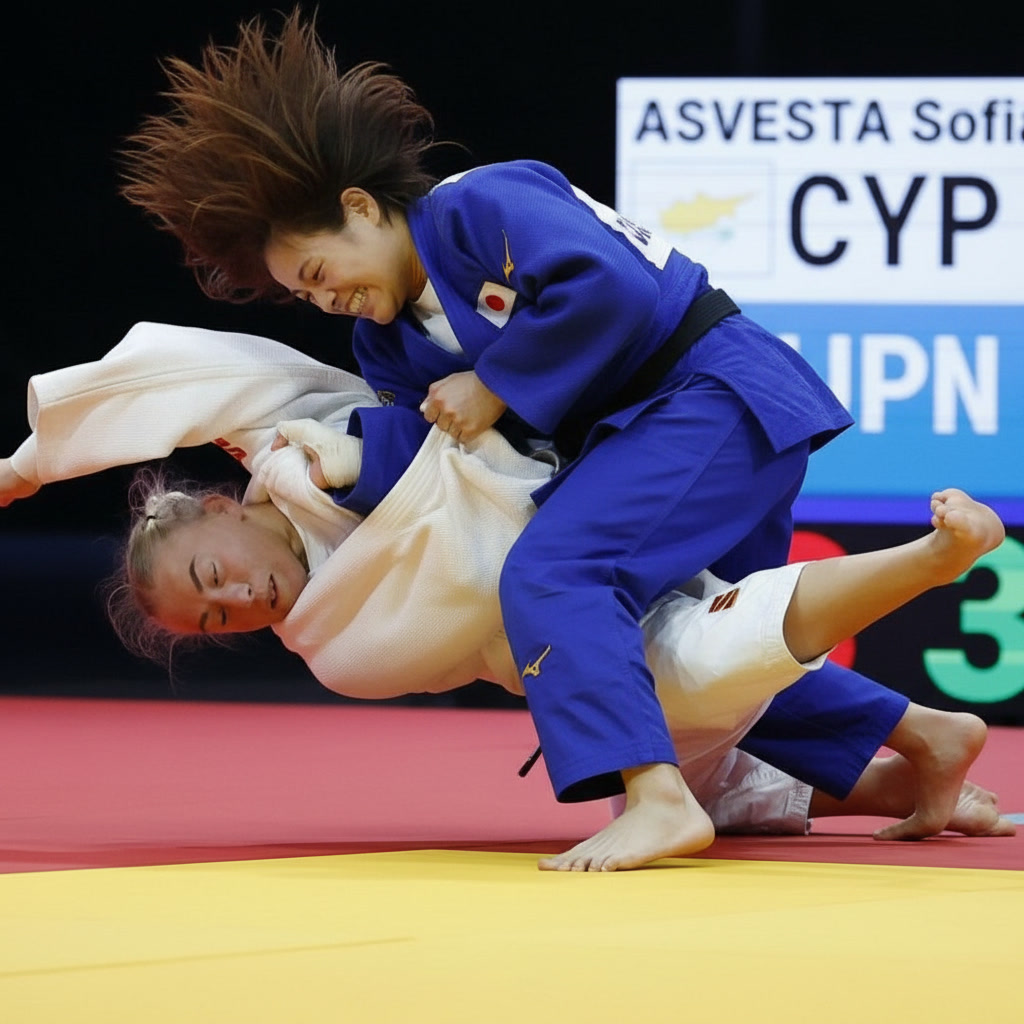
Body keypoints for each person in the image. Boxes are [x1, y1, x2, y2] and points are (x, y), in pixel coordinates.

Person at [116, 11, 995, 869]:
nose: (325, 299)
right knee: (676, 649)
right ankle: (925, 737)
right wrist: (348, 463)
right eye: (304, 297)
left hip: (714, 394)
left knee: (554, 573)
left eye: (318, 272)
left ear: (360, 208)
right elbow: (441, 459)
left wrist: (495, 382)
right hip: (644, 441)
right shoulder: (383, 347)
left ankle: (660, 802)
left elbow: (610, 286)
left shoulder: (475, 207)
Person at [1, 322, 1014, 868]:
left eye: (208, 574)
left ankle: (929, 572)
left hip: (577, 515)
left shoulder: (287, 439)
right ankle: (924, 743)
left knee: (677, 681)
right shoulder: (336, 649)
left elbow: (174, 372)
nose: (235, 598)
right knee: (690, 706)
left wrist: (29, 463)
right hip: (553, 631)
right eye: (217, 620)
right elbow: (439, 611)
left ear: (220, 504)